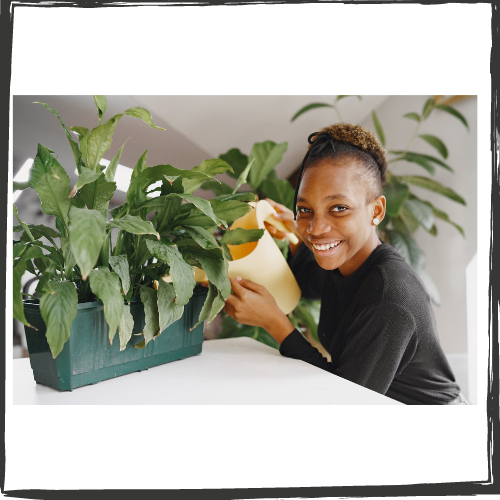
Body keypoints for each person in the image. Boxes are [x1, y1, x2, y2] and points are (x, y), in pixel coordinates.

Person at [224, 123, 469, 405]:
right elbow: (310, 286)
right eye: (305, 209)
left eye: (338, 208)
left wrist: (276, 324)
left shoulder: (388, 297)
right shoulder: (345, 262)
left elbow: (345, 401)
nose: (315, 228)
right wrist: (296, 234)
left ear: (376, 210)